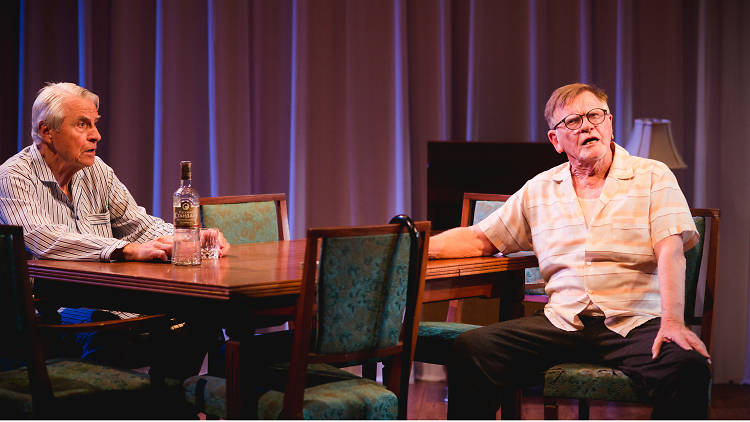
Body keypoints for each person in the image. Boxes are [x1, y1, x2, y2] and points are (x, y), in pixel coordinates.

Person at [429, 82, 710, 419]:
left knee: (686, 366)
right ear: (556, 141)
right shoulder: (540, 189)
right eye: (573, 121)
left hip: (635, 322)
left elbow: (671, 250)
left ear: (609, 124)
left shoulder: (652, 176)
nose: (587, 125)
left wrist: (674, 322)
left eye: (595, 115)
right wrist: (419, 245)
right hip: (563, 322)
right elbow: (480, 239)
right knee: (472, 348)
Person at [0, 81, 230, 378]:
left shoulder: (97, 171)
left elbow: (138, 224)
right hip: (51, 311)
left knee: (202, 319)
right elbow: (42, 237)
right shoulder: (13, 176)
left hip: (115, 300)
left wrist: (188, 239)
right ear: (47, 132)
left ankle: (165, 404)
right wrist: (124, 249)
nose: (96, 135)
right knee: (110, 338)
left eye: (94, 124)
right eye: (82, 125)